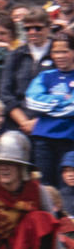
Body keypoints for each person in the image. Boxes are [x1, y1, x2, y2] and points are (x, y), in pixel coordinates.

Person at [24, 30, 74, 186]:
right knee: (44, 186)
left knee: (66, 186)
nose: (59, 56)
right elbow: (32, 101)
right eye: (55, 52)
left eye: (64, 51)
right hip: (42, 139)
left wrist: (48, 106)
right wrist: (61, 99)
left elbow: (72, 107)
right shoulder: (45, 76)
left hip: (69, 139)